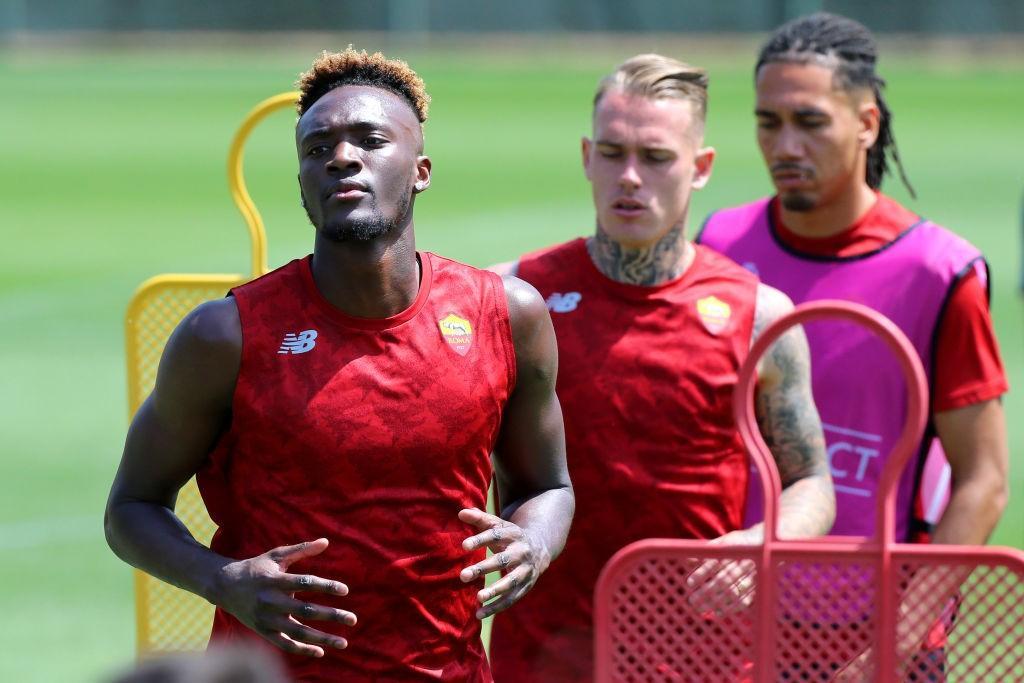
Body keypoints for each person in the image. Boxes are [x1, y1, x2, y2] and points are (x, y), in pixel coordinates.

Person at [105, 48, 575, 683]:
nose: (341, 157)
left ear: (422, 170)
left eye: (371, 140)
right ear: (303, 181)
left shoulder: (508, 316)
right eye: (316, 147)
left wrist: (534, 543)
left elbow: (548, 487)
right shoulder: (226, 335)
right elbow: (131, 506)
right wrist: (224, 580)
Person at [487, 54, 835, 682]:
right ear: (587, 156)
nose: (629, 177)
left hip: (702, 657)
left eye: (655, 157)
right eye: (613, 152)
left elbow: (812, 481)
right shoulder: (514, 297)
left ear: (700, 168)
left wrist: (761, 544)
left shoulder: (759, 317)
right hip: (540, 656)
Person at [697, 12, 1009, 680]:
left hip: (879, 639)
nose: (784, 144)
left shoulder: (940, 271)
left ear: (866, 123)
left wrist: (885, 652)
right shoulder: (720, 243)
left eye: (809, 122)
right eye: (767, 121)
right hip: (731, 626)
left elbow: (983, 480)